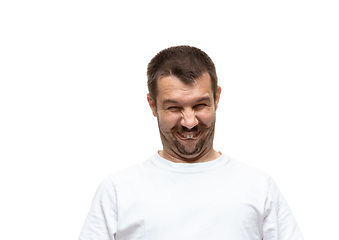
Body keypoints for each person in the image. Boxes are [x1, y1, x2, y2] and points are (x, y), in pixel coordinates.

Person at [79, 46, 303, 240]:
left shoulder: (259, 187)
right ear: (152, 104)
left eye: (200, 105)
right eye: (174, 107)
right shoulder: (118, 190)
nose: (189, 122)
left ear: (216, 99)